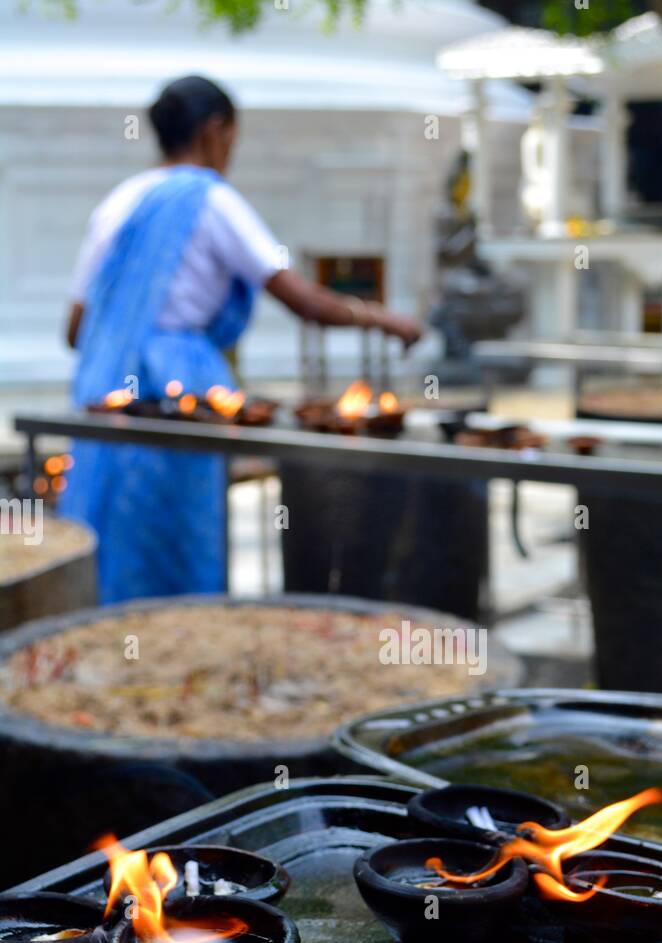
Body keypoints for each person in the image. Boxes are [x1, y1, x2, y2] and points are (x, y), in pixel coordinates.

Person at [62, 74, 421, 603]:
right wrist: (388, 321)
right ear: (216, 131)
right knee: (173, 545)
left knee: (110, 537)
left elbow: (74, 330)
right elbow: (303, 301)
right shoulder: (210, 200)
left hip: (100, 396)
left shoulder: (120, 202)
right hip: (177, 398)